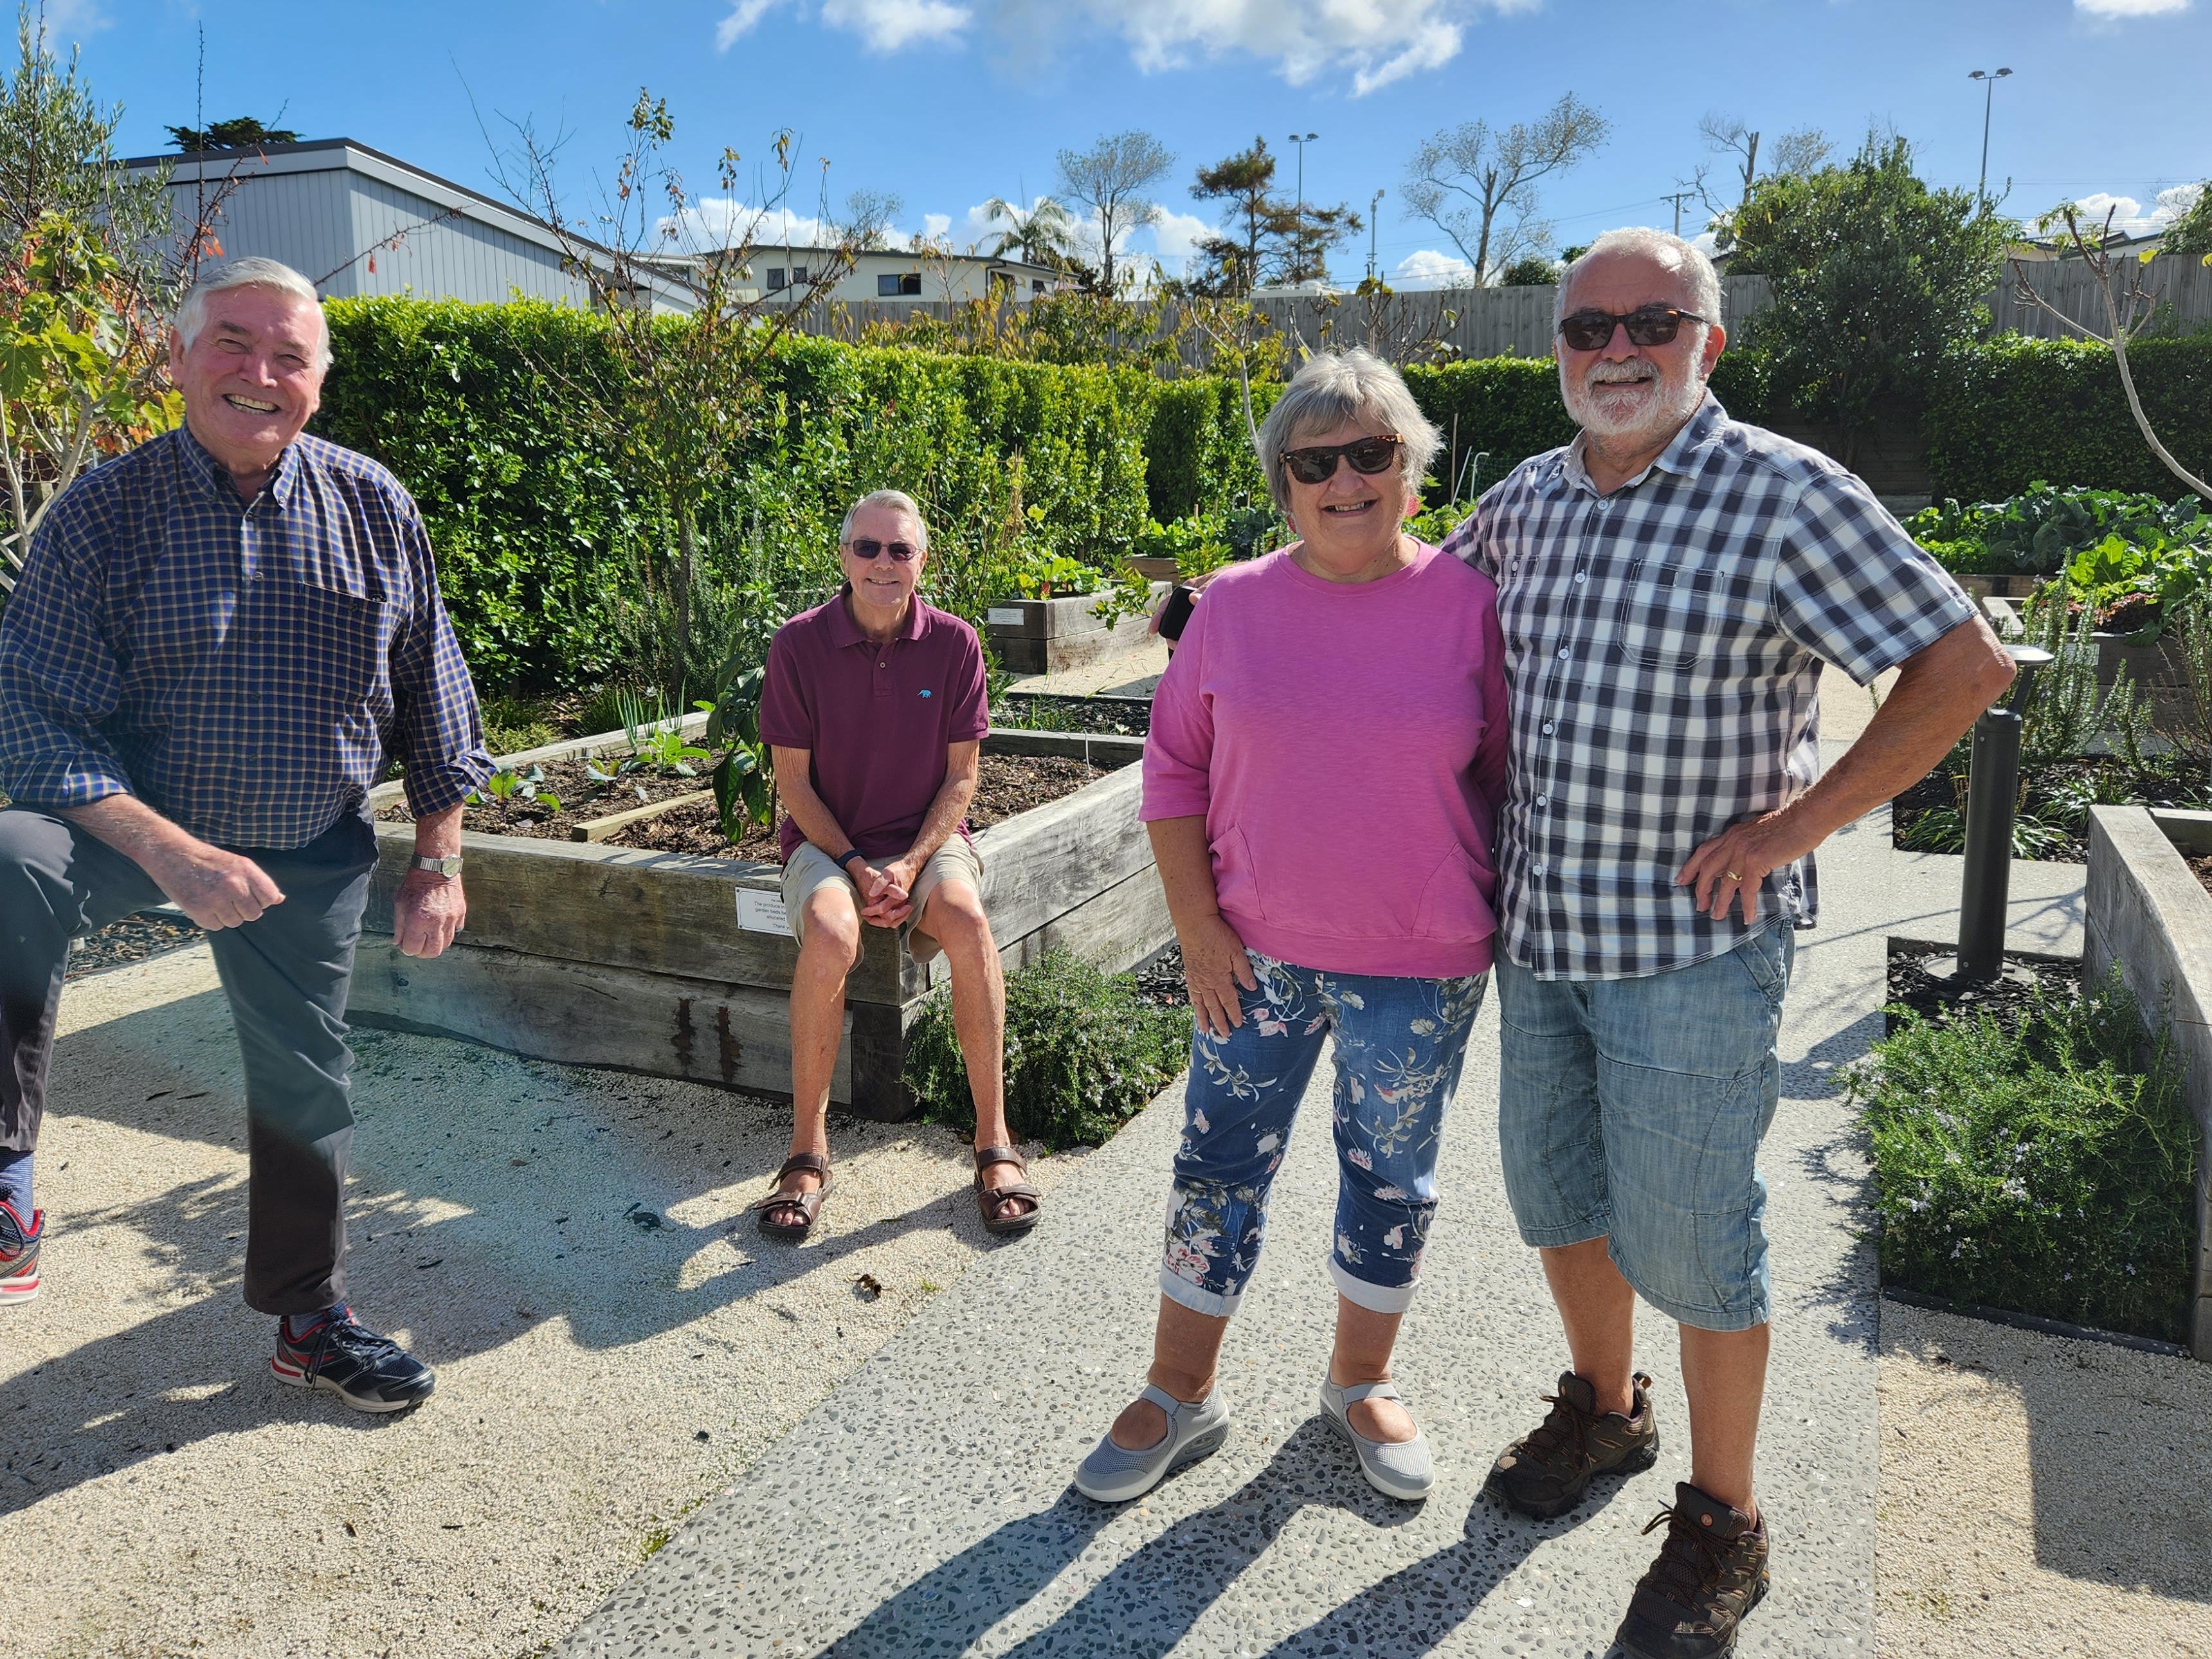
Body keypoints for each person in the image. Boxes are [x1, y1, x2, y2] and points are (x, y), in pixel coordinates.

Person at [1443, 227, 2014, 1658]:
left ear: (1709, 340)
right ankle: (1605, 1411)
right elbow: (1406, 614)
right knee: (1558, 1201)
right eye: (1586, 328)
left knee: (1697, 1246)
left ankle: (1723, 1521)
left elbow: (1962, 666)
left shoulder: (1781, 494)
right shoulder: (1526, 499)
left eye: (1651, 321)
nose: (1615, 349)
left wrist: (1793, 826)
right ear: (1556, 349)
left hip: (1695, 954)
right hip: (1545, 932)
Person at [0, 258, 492, 1410]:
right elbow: (33, 721)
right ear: (176, 360)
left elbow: (436, 695)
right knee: (9, 861)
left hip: (303, 840)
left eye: (289, 356)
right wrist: (171, 851)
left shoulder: (374, 506)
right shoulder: (103, 516)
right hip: (132, 831)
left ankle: (308, 1318)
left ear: (319, 379)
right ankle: (7, 1179)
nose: (258, 374)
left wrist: (439, 858)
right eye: (231, 343)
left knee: (304, 1078)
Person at [1074, 349, 1510, 1506]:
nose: (1345, 479)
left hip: (1418, 967)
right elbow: (1171, 775)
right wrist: (1198, 928)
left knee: (1392, 1176)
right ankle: (1181, 1389)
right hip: (1252, 958)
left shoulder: (1473, 611)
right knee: (1217, 1167)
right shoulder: (1230, 609)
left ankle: (1358, 1382)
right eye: (1314, 461)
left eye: (1372, 453)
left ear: (1413, 471)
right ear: (1284, 484)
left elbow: (1506, 776)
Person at [754, 489, 1041, 1240]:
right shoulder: (797, 645)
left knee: (968, 920)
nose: (884, 563)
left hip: (924, 840)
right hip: (827, 840)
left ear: (921, 561)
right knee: (829, 934)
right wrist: (853, 865)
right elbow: (792, 784)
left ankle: (993, 1143)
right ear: (843, 557)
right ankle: (806, 1154)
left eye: (900, 550)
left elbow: (961, 779)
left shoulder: (955, 644)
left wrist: (910, 866)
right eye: (868, 548)